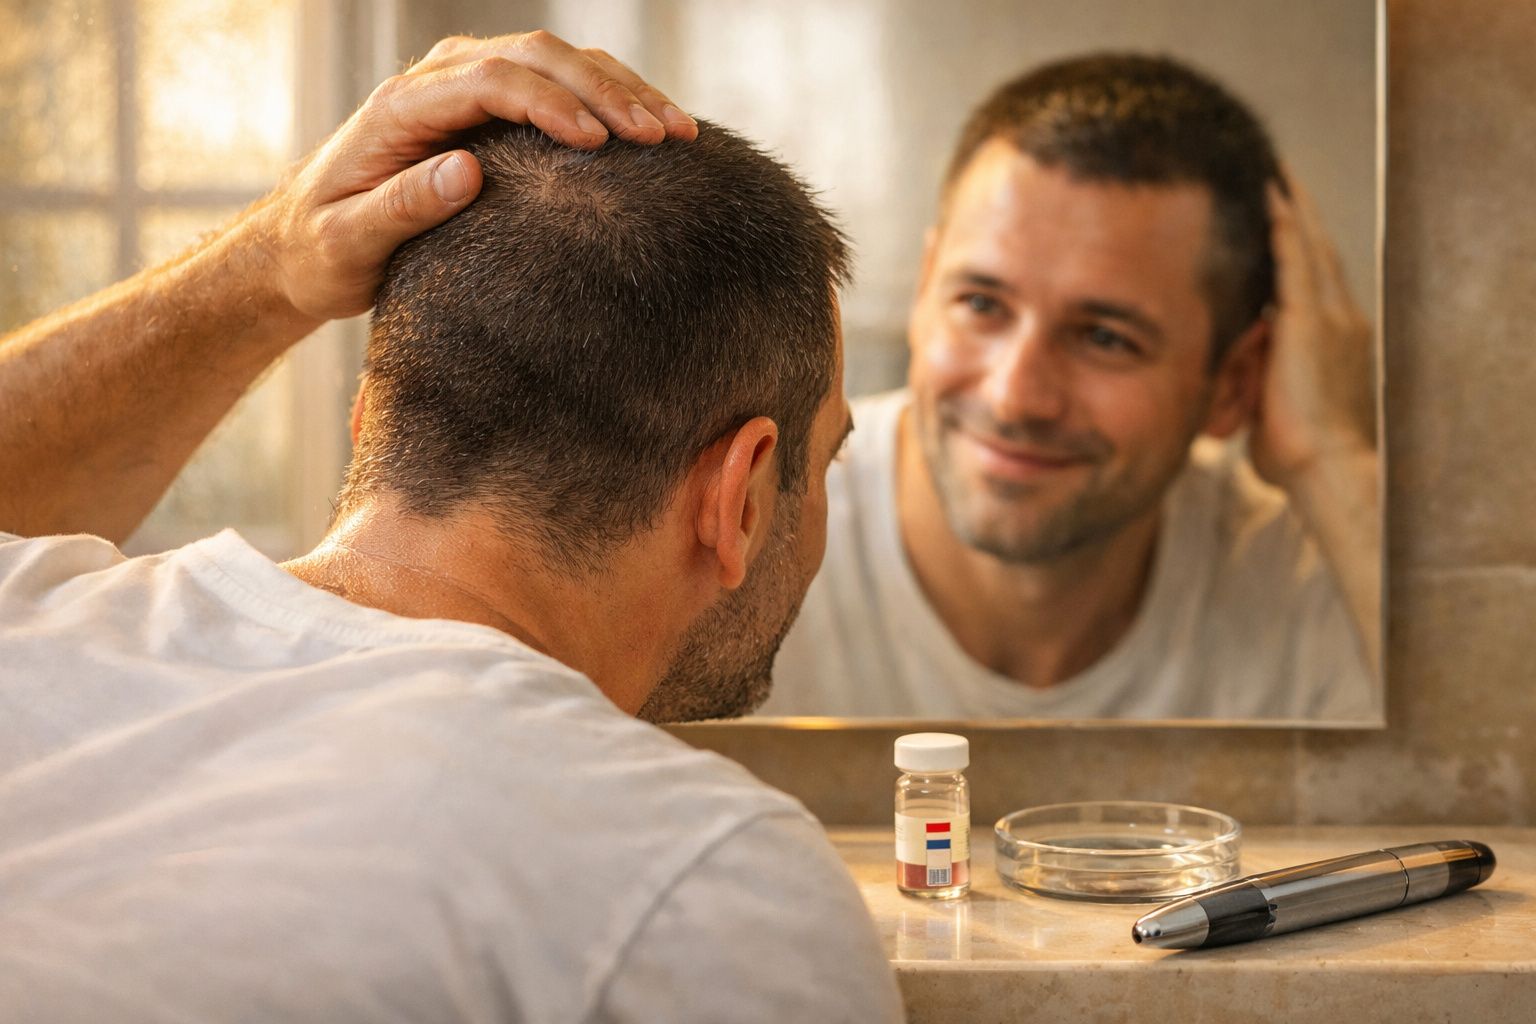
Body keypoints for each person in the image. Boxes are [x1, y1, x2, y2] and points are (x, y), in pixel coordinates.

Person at [0, 32, 900, 1022]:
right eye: (832, 454)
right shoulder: (698, 884)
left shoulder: (27, 626)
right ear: (739, 495)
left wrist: (268, 267)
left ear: (368, 418)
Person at [759, 54, 1381, 721]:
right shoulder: (751, 526)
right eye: (981, 303)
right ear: (924, 290)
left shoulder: (1306, 581)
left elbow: (1499, 776)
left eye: (1106, 338)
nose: (1014, 398)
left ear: (1233, 384)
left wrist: (1331, 457)